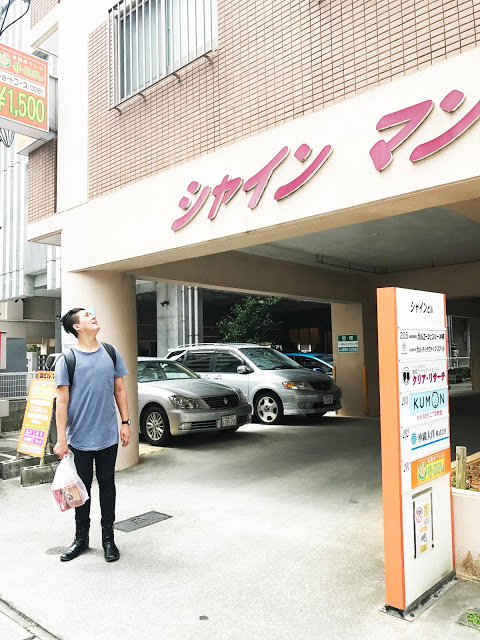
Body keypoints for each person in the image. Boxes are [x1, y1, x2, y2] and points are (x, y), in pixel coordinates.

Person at [53, 307, 131, 563]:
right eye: (86, 315)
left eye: (91, 314)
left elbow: (120, 390)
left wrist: (126, 422)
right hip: (79, 438)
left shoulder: (111, 352)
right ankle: (81, 539)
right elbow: (62, 401)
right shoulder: (67, 359)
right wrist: (61, 440)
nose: (93, 316)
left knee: (107, 484)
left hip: (108, 435)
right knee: (81, 488)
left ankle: (109, 539)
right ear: (77, 327)